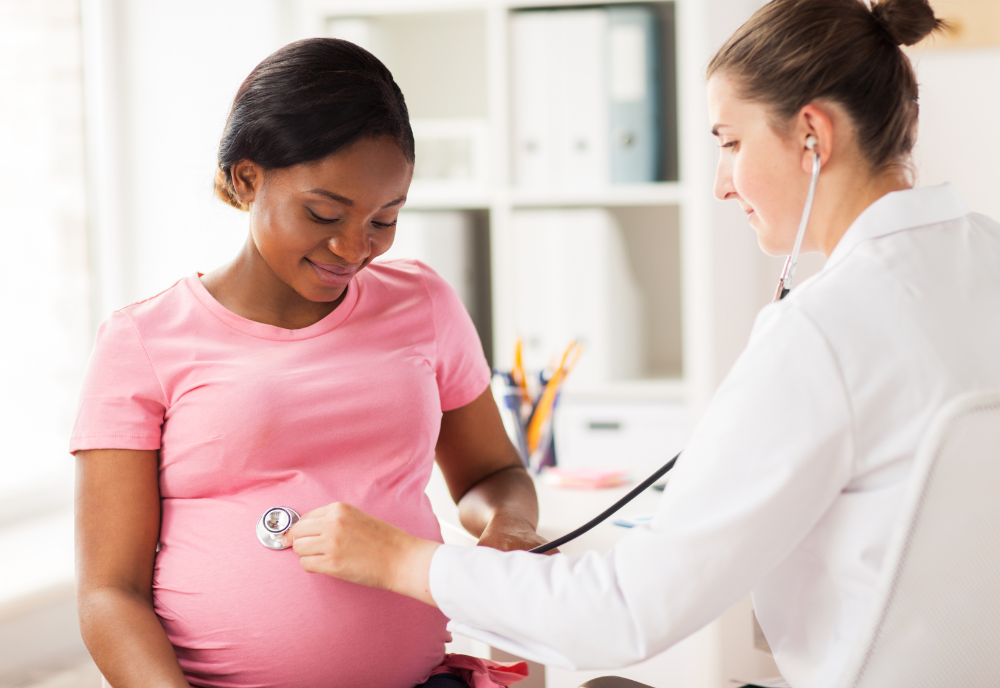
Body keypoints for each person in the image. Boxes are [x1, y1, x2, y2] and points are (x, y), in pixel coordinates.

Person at [278, 0, 1000, 686]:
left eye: (731, 142)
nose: (722, 183)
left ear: (813, 133)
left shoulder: (823, 332)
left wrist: (401, 560)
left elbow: (625, 612)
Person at [72, 39, 545, 688]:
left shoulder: (424, 303)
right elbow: (109, 593)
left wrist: (508, 529)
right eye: (324, 213)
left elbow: (492, 473)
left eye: (385, 219)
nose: (354, 249)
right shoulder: (142, 341)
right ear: (247, 178)